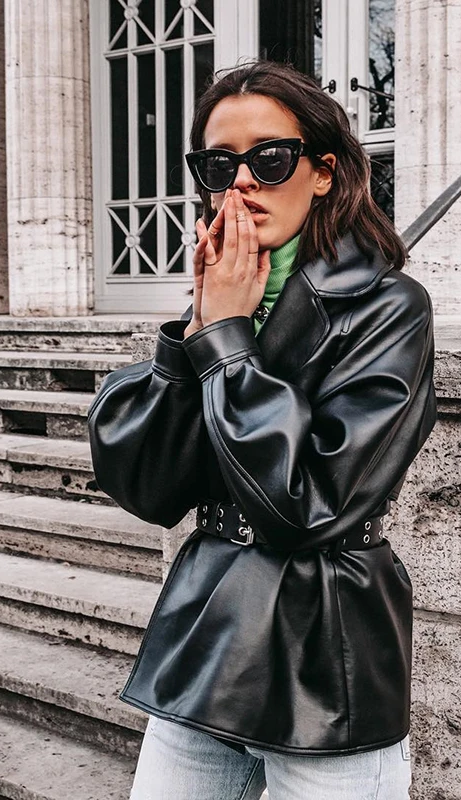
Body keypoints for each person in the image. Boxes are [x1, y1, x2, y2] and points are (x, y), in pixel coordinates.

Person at [88, 59, 437, 800]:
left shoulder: (389, 307)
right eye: (219, 165)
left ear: (323, 173)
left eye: (269, 159)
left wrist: (226, 340)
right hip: (208, 633)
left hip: (325, 651)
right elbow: (147, 485)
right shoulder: (224, 302)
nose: (241, 183)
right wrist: (195, 334)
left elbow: (308, 504)